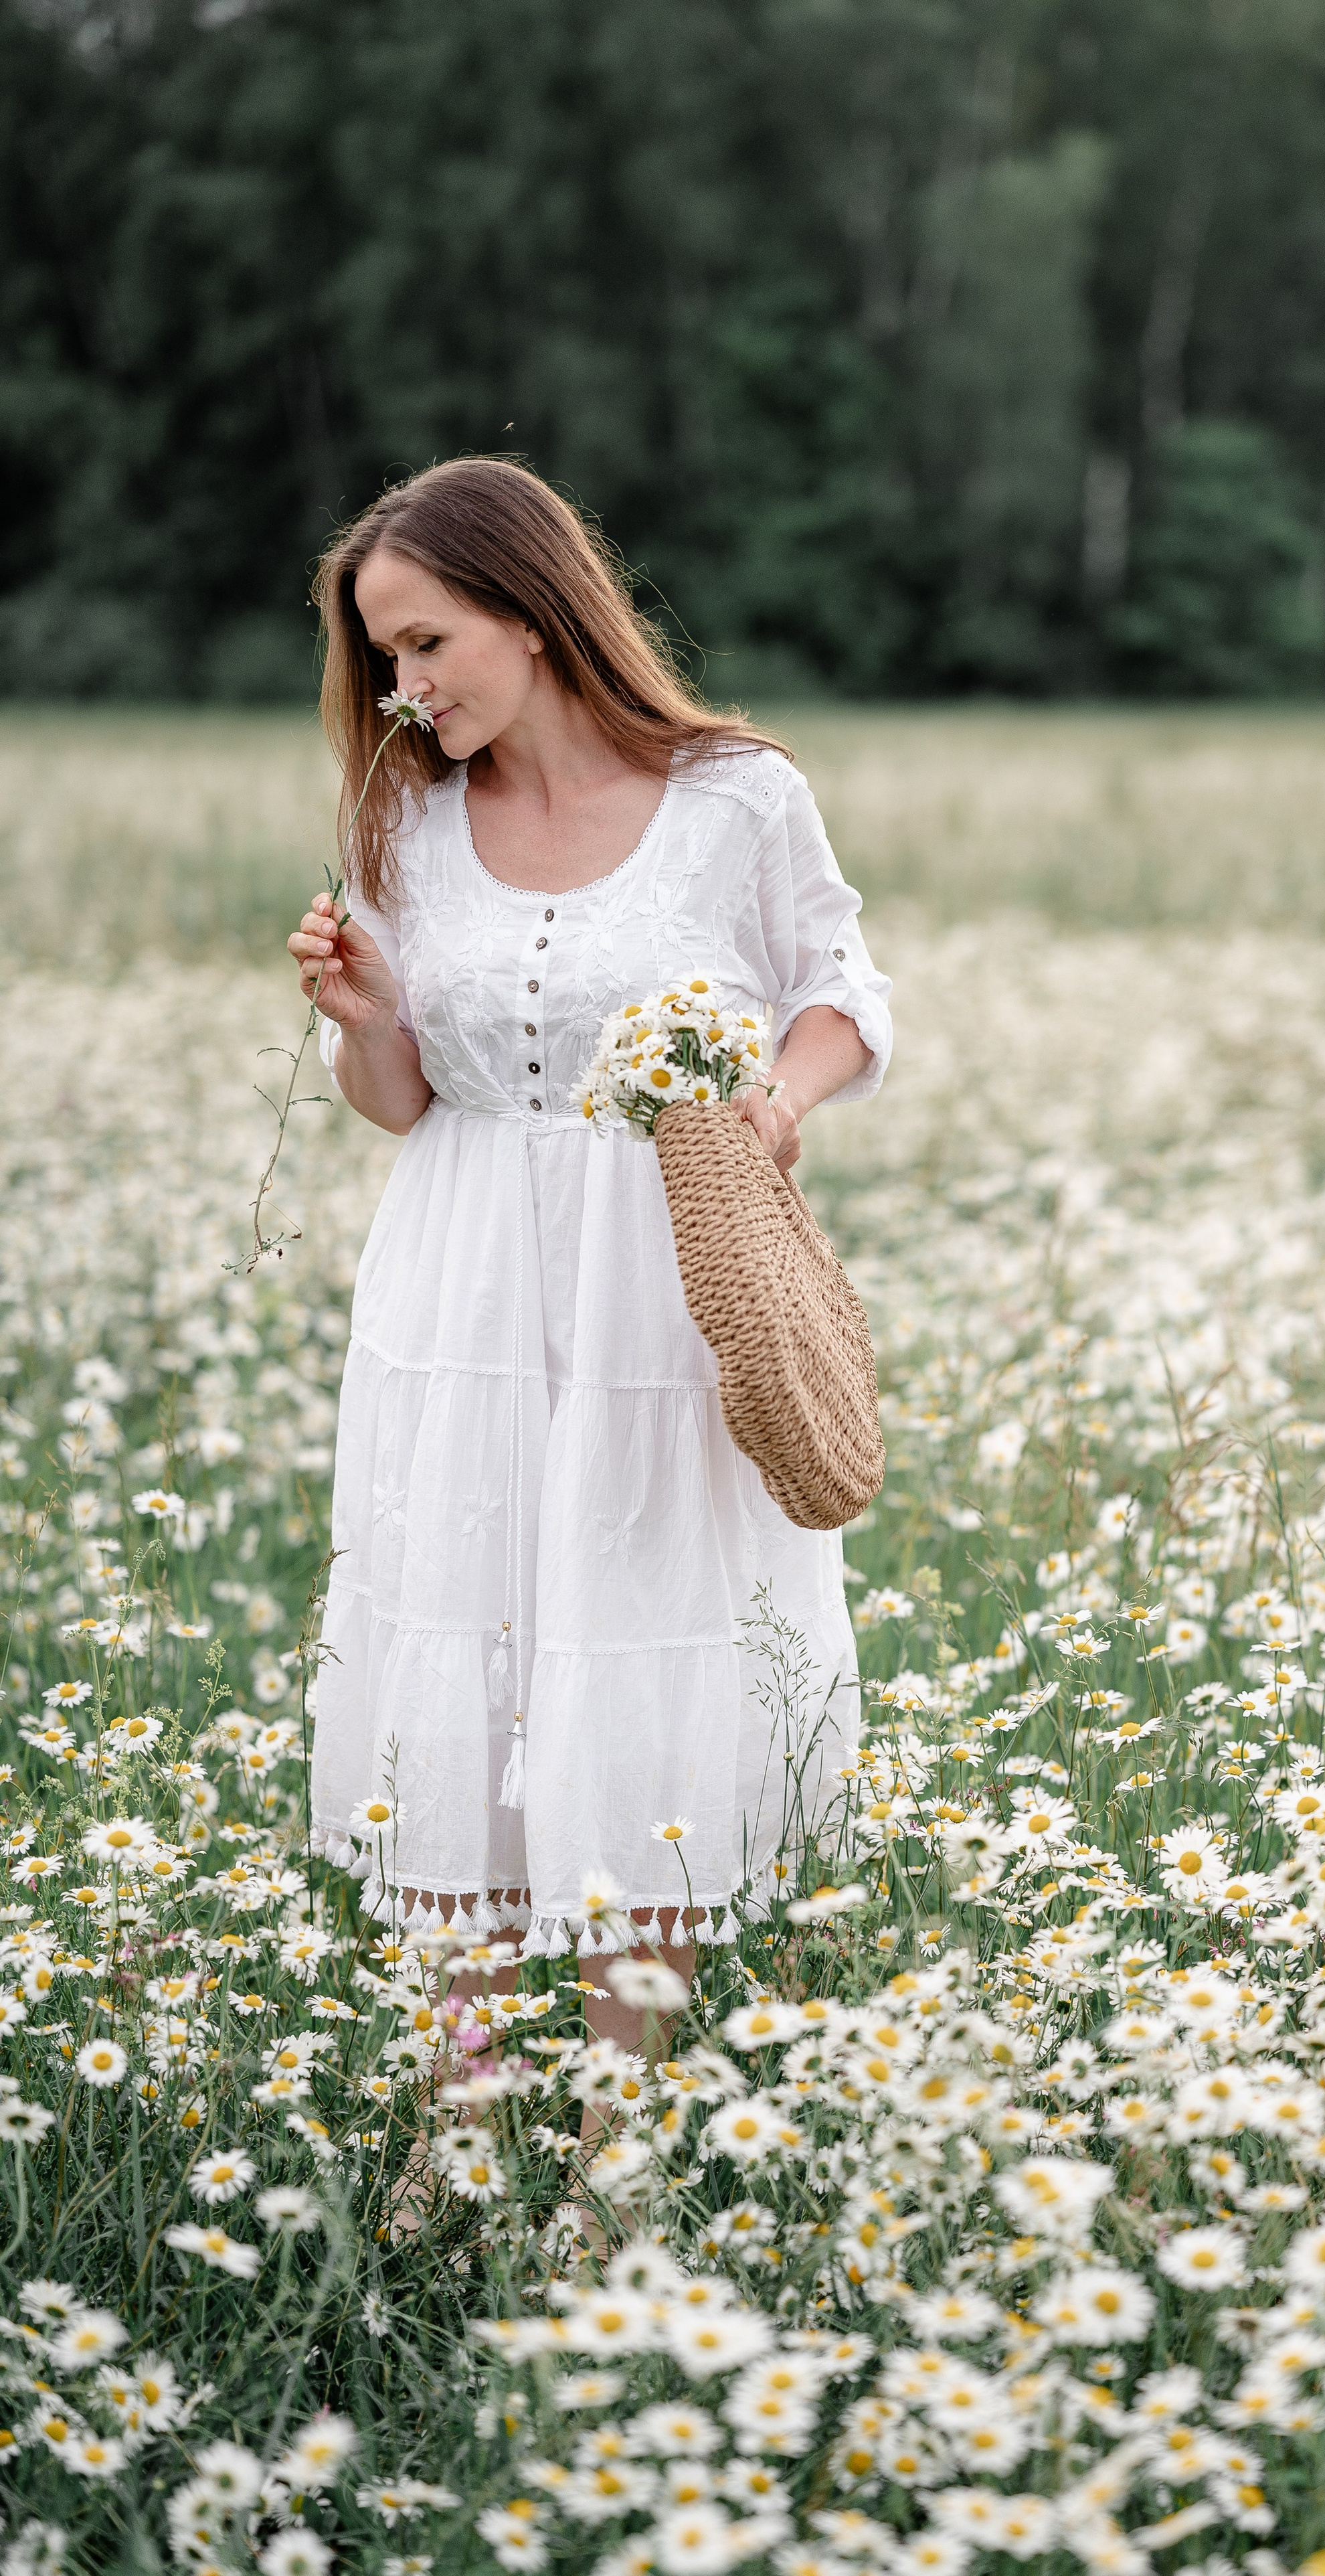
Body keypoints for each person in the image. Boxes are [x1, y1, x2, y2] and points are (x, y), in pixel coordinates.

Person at [288, 457, 890, 2064]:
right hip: (463, 1277)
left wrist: (776, 1094)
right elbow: (405, 1101)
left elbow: (843, 992)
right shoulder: (402, 819)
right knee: (457, 1635)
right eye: (386, 661)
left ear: (534, 612)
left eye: (426, 645)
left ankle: (621, 2126)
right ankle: (462, 2111)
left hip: (663, 1278)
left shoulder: (735, 797)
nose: (405, 691)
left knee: (643, 1641)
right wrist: (360, 1022)